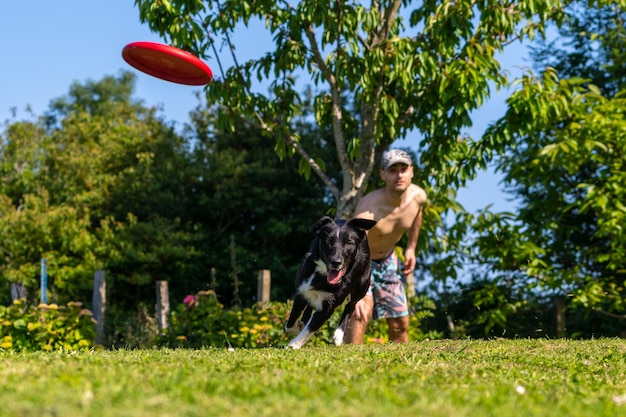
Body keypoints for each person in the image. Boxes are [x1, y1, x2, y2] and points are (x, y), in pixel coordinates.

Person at [345, 149, 427, 344]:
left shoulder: (418, 197)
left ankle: (402, 367)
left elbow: (417, 216)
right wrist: (355, 290)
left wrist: (411, 248)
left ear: (412, 172)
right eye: (393, 170)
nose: (399, 175)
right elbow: (350, 247)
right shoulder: (368, 208)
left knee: (400, 320)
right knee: (361, 311)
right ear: (383, 174)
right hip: (361, 262)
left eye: (403, 169)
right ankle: (348, 362)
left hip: (388, 259)